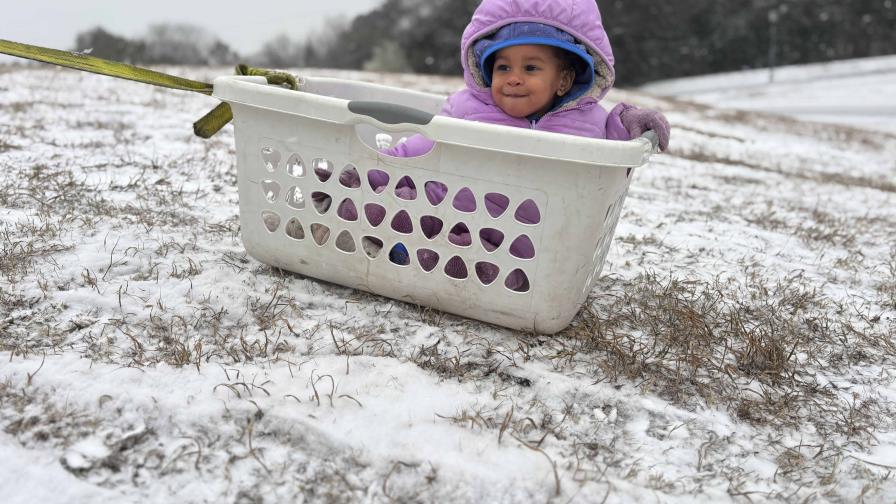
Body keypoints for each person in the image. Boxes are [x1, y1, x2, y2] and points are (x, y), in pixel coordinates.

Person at [325, 0, 671, 287]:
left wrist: (632, 121)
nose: (514, 78)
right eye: (503, 67)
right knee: (408, 201)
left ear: (564, 80)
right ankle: (351, 225)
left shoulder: (589, 122)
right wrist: (371, 174)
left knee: (511, 264)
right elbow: (419, 148)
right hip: (451, 209)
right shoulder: (468, 109)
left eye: (531, 68)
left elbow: (620, 139)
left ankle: (437, 262)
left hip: (524, 236)